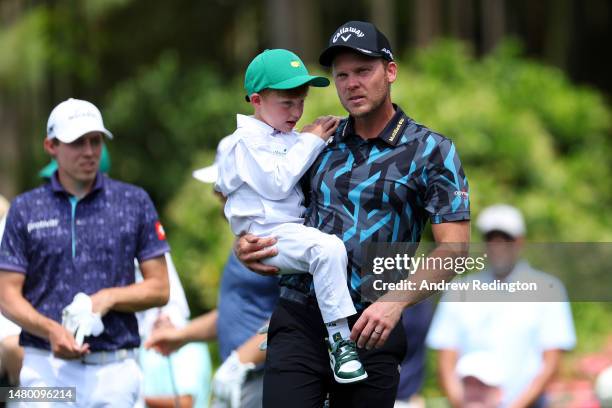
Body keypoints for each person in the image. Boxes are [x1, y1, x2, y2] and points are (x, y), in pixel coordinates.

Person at [235, 21, 470, 407]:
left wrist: (395, 302)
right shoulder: (315, 142)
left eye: (363, 71)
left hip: (372, 325)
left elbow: (455, 250)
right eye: (341, 75)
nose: (351, 84)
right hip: (300, 318)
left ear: (390, 71)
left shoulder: (431, 151)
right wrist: (245, 244)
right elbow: (268, 207)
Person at [0, 98, 170, 407]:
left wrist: (107, 298)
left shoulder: (134, 202)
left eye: (96, 141)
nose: (90, 151)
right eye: (77, 142)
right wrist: (51, 330)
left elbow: (160, 288)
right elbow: (6, 295)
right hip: (44, 367)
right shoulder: (25, 208)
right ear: (51, 146)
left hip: (114, 371)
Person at [215, 48, 368, 383]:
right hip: (268, 236)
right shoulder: (243, 142)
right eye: (286, 102)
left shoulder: (285, 136)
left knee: (325, 253)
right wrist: (312, 140)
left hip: (288, 233)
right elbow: (277, 182)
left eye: (301, 101)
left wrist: (330, 134)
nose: (297, 111)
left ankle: (293, 329)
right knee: (327, 249)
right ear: (256, 100)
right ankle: (341, 342)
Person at [146, 154, 280, 408]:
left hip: (264, 375)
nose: (215, 192)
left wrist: (240, 361)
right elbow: (233, 312)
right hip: (243, 377)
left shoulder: (271, 238)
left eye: (223, 186)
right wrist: (181, 335)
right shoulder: (242, 237)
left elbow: (297, 311)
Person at [427, 204, 576, 408]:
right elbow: (445, 358)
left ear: (520, 241)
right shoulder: (459, 289)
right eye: (491, 239)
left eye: (505, 239)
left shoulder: (548, 289)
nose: (498, 246)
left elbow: (551, 362)